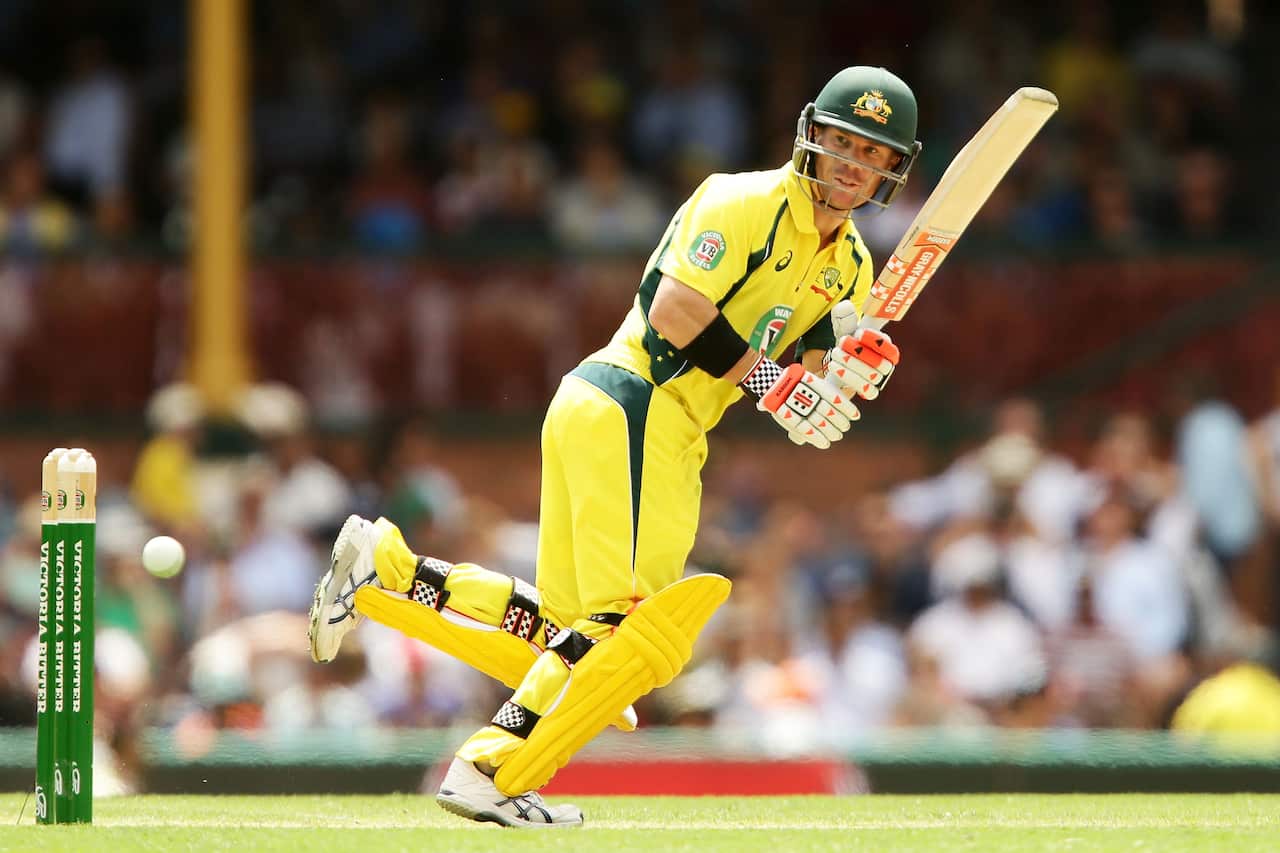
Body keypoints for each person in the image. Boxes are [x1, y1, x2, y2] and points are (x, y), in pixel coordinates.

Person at [308, 66, 921, 827]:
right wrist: (772, 382)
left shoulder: (852, 264)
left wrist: (851, 378)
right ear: (812, 136)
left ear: (892, 170)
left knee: (568, 635)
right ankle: (490, 768)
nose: (854, 165)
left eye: (873, 154)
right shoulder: (742, 202)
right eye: (843, 143)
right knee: (629, 632)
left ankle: (387, 573)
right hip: (636, 404)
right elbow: (675, 308)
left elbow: (818, 375)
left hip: (649, 425)